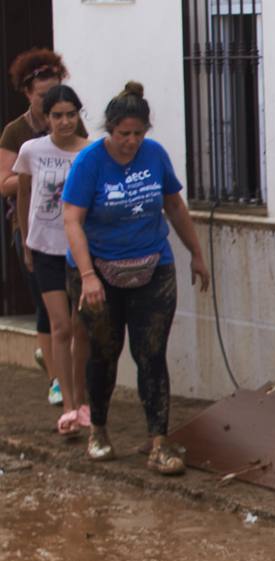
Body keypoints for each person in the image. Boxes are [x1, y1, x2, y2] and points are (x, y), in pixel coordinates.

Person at [63, 81, 210, 473]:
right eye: (123, 134)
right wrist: (88, 275)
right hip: (99, 271)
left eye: (137, 134)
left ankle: (159, 442)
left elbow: (174, 206)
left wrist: (196, 254)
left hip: (152, 266)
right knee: (104, 352)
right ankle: (98, 429)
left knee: (151, 354)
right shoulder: (89, 163)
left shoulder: (155, 156)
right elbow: (72, 220)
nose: (130, 142)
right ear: (108, 130)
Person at [0, 48, 88, 404]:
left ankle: (66, 375)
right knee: (48, 310)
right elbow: (7, 182)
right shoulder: (17, 134)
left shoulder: (76, 131)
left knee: (74, 316)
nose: (58, 112)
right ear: (29, 94)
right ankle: (57, 379)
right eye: (42, 97)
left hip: (72, 235)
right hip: (32, 229)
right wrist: (31, 179)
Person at [15, 84, 91, 436]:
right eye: (57, 115)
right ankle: (69, 405)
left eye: (70, 115)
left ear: (79, 116)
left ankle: (84, 400)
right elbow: (25, 194)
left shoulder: (90, 153)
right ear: (46, 119)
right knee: (59, 327)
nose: (64, 122)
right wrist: (26, 241)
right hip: (44, 247)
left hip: (79, 251)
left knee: (80, 328)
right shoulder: (32, 150)